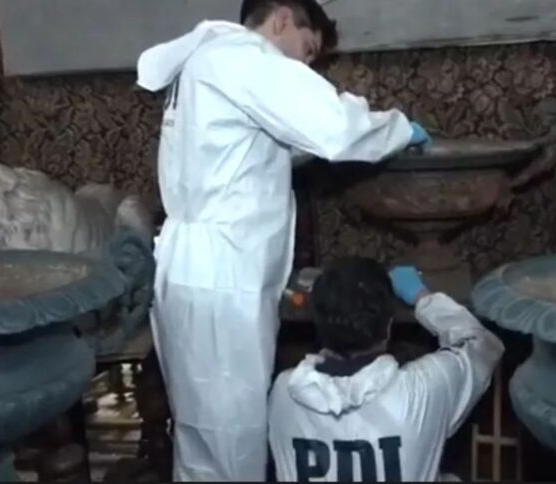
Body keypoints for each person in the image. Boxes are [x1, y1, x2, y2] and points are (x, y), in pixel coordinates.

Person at [135, 0, 433, 480]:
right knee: (230, 435)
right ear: (281, 20)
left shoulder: (208, 63)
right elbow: (337, 126)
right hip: (221, 276)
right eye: (307, 49)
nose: (305, 66)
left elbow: (257, 152)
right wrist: (398, 129)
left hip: (195, 268)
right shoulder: (245, 57)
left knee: (201, 432)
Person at [268, 258, 505, 481]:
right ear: (389, 325)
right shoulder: (424, 390)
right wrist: (422, 297)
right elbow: (483, 345)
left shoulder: (283, 393)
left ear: (317, 322)